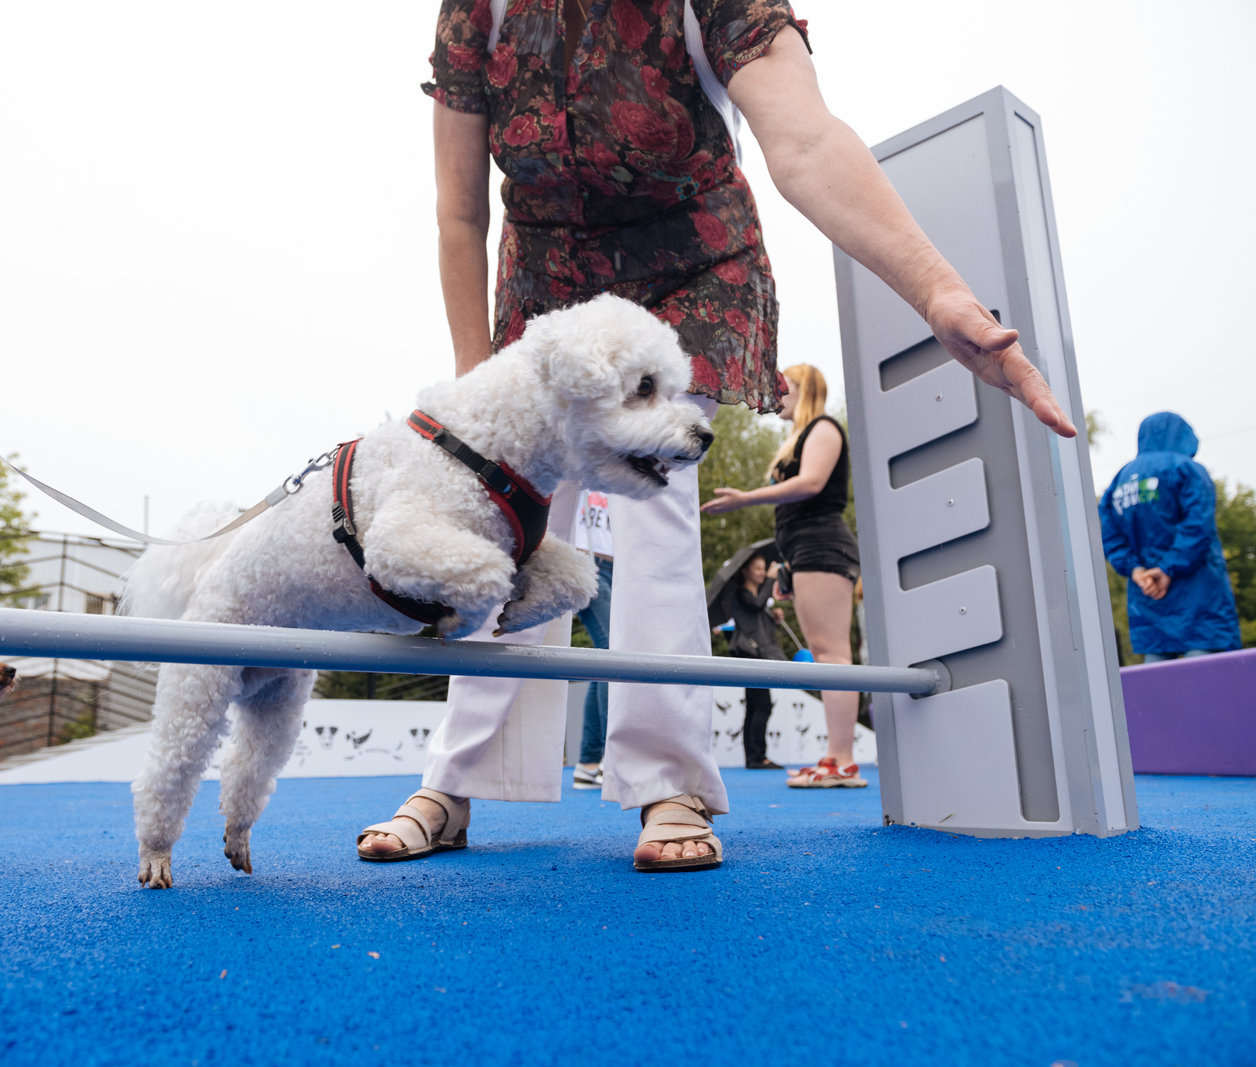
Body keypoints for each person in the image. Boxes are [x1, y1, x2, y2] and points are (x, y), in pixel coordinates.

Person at [357, 0, 1075, 873]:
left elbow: (805, 143)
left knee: (653, 502)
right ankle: (455, 777)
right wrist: (477, 401)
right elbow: (461, 213)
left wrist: (935, 293)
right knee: (510, 507)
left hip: (687, 261)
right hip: (546, 272)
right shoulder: (480, 9)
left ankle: (669, 777)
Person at [703, 363, 865, 787]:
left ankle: (841, 760)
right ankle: (837, 758)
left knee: (832, 657)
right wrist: (789, 569)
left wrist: (745, 500)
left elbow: (811, 485)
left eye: (783, 387)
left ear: (804, 389)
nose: (775, 394)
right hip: (806, 552)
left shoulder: (824, 428)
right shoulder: (804, 435)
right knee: (827, 655)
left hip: (822, 548)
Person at [1098, 412, 1240, 662]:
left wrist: (1136, 571)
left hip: (1148, 599)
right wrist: (1166, 569)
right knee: (1209, 685)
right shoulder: (1187, 469)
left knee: (1158, 687)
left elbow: (1108, 532)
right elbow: (1198, 526)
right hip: (1198, 600)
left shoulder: (1121, 479)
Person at [725, 551, 786, 770]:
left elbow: (758, 616)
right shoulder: (743, 594)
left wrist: (774, 618)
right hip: (750, 654)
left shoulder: (754, 597)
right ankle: (757, 755)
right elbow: (757, 605)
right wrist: (771, 579)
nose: (762, 572)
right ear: (745, 571)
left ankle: (754, 755)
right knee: (762, 705)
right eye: (758, 568)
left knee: (755, 705)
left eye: (763, 569)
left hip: (755, 654)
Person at [571, 489, 614, 789]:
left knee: (605, 658)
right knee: (614, 650)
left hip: (619, 565)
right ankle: (615, 756)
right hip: (585, 560)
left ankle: (589, 762)